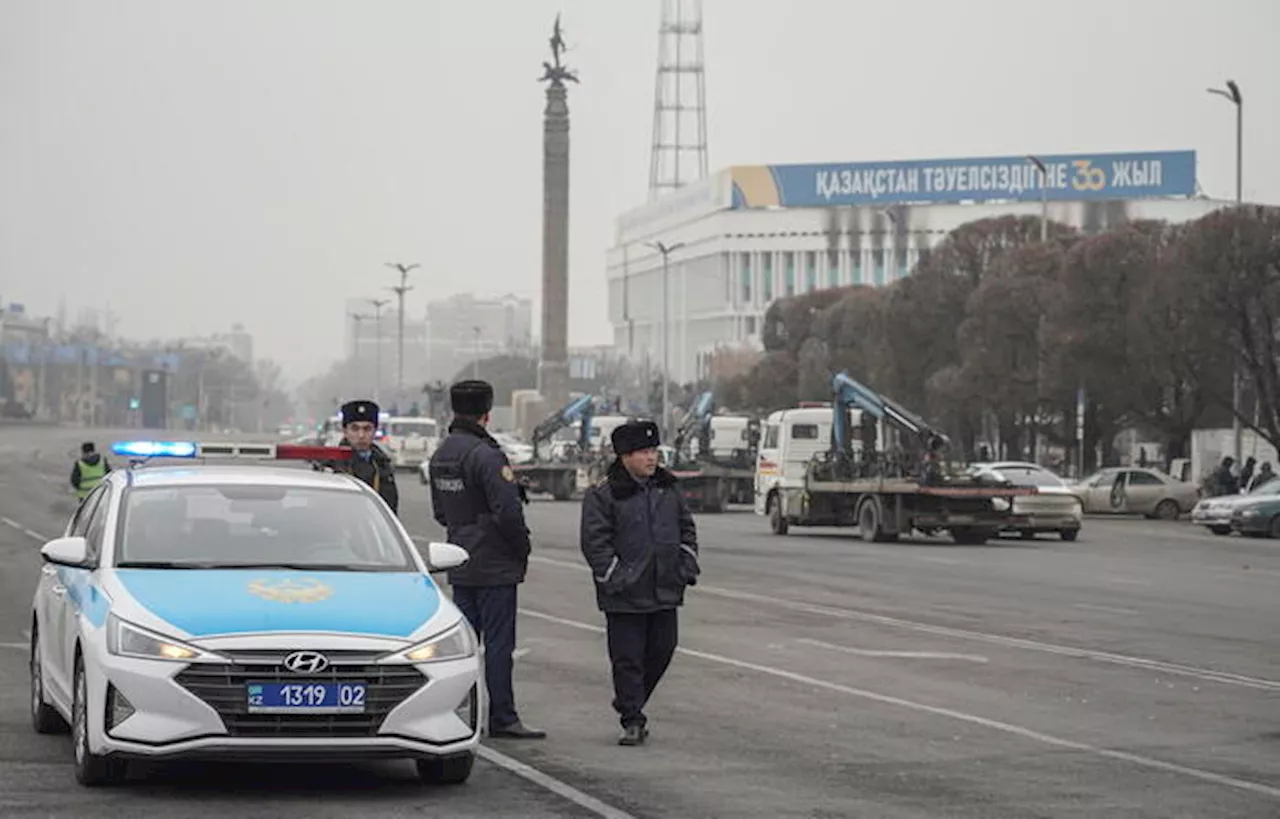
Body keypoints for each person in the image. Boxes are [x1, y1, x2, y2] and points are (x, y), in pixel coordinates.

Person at [428, 379, 544, 740]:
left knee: (462, 645)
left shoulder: (441, 454)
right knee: (498, 646)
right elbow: (507, 512)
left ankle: (455, 712)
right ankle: (503, 716)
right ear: (487, 413)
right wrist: (521, 547)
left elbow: (440, 512)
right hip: (494, 563)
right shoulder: (486, 455)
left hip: (460, 559)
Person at [579, 419, 700, 746]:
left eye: (654, 451)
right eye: (644, 452)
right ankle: (632, 718)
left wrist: (686, 564)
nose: (651, 458)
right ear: (624, 456)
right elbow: (595, 544)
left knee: (662, 650)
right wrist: (614, 577)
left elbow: (686, 529)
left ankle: (630, 699)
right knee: (628, 658)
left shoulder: (668, 487)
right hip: (624, 594)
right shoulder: (604, 494)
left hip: (665, 588)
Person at [321, 400, 399, 515]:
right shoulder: (332, 464)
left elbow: (390, 509)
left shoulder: (382, 464)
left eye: (367, 429)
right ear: (345, 431)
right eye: (355, 429)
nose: (361, 435)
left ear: (375, 431)